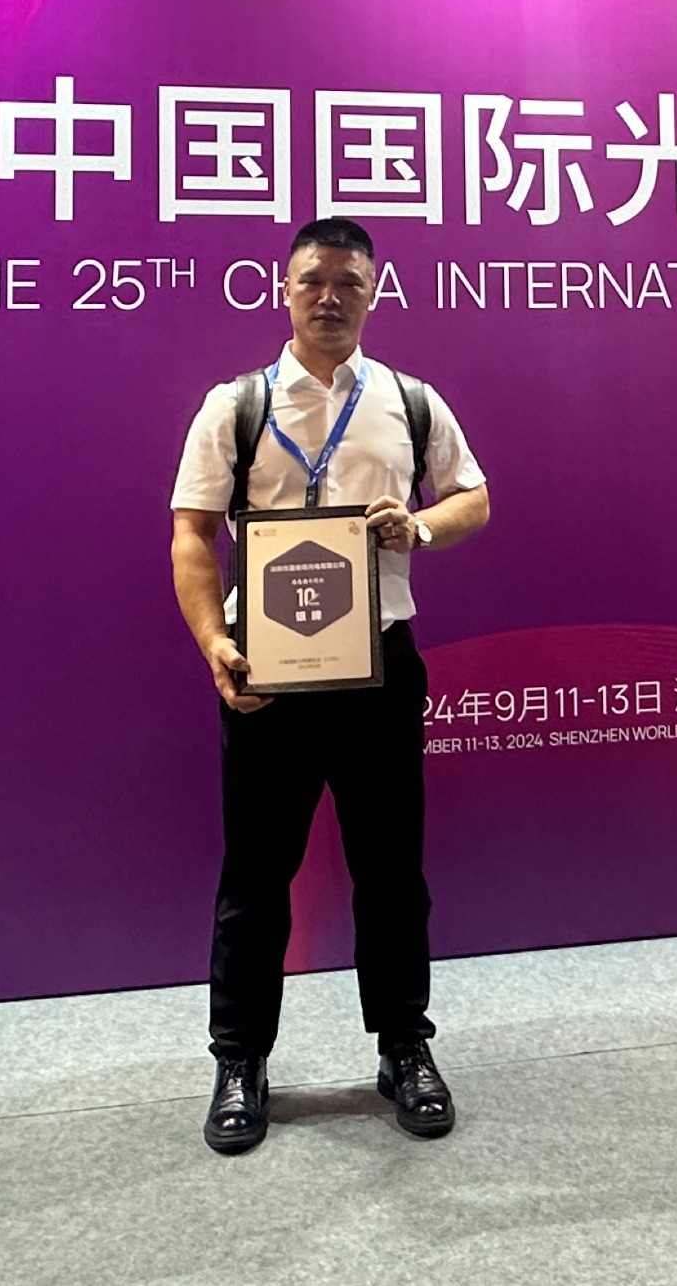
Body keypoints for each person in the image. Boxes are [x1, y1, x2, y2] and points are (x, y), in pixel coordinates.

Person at [168, 216, 492, 1153]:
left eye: (350, 283)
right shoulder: (236, 405)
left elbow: (474, 498)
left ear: (374, 294)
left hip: (378, 668)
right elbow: (191, 532)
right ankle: (240, 1060)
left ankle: (404, 1047)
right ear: (284, 289)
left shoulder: (408, 401)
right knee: (255, 877)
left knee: (392, 873)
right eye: (313, 280)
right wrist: (213, 641)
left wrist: (418, 528)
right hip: (268, 677)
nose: (330, 298)